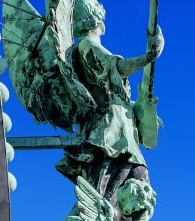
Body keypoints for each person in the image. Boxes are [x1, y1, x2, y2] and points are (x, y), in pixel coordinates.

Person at [62, 0, 164, 206]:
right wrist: (150, 56)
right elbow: (117, 67)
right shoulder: (87, 45)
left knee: (137, 184)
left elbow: (118, 95)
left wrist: (144, 105)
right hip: (110, 133)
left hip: (121, 132)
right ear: (96, 20)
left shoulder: (84, 47)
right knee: (110, 192)